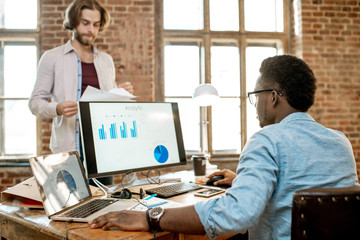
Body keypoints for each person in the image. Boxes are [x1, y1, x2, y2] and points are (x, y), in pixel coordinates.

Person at [88, 55, 359, 239]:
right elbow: (300, 186)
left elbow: (236, 214)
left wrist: (151, 217)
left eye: (256, 96)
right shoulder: (339, 141)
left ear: (274, 97)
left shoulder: (267, 139)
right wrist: (243, 181)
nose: (254, 105)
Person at [29, 0, 133, 185]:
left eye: (96, 24)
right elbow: (35, 103)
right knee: (70, 208)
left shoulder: (106, 61)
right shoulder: (52, 58)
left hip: (103, 152)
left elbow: (110, 107)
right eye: (85, 23)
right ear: (74, 22)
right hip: (68, 151)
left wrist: (120, 93)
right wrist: (58, 108)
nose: (91, 30)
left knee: (104, 208)